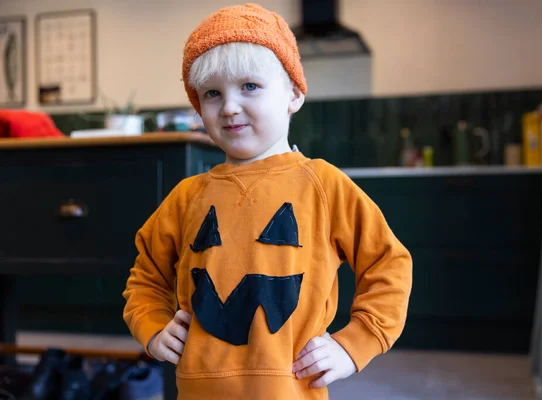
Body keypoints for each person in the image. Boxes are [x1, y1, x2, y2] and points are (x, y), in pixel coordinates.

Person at [122, 4, 412, 399]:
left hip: (291, 389)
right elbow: (147, 275)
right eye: (212, 94)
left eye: (250, 86)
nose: (229, 107)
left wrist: (354, 343)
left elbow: (388, 263)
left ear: (293, 93)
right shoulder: (187, 197)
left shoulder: (324, 185)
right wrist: (153, 326)